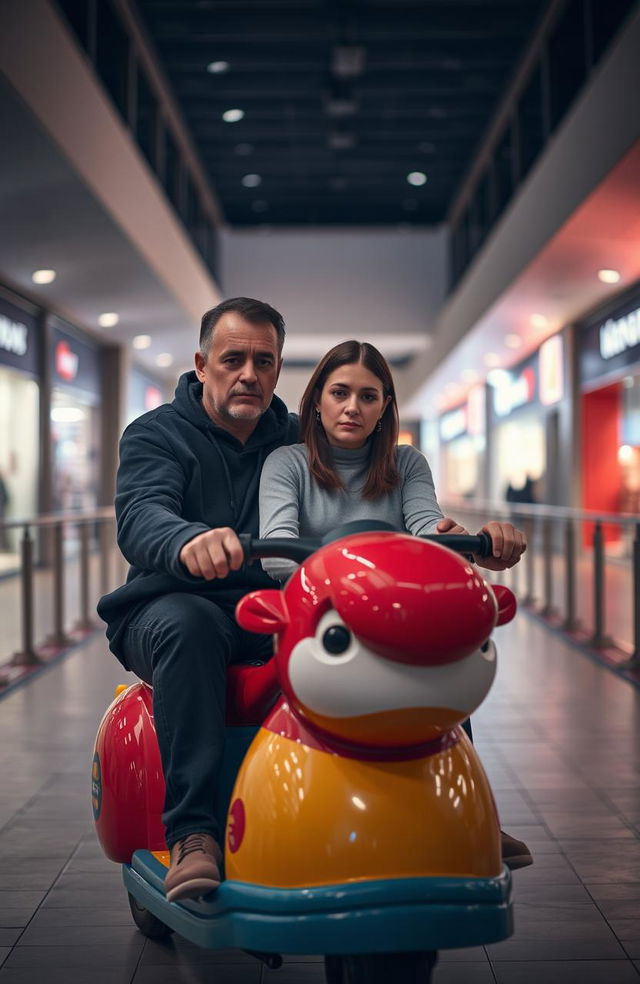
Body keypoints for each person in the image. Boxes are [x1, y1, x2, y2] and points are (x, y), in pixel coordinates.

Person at [259, 340, 532, 870]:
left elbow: (427, 525)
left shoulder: (406, 463)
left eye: (368, 396)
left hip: (390, 624)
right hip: (323, 621)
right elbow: (276, 549)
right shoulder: (286, 463)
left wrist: (460, 538)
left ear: (385, 406)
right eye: (339, 393)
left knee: (439, 676)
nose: (352, 407)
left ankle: (475, 816)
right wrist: (349, 590)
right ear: (316, 400)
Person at [97, 297, 298, 902]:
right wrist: (188, 538)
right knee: (191, 625)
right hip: (166, 606)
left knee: (373, 632)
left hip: (269, 609)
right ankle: (193, 833)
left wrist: (431, 529)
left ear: (279, 369)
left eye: (265, 361)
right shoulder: (155, 434)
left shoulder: (295, 438)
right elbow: (141, 515)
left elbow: (370, 487)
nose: (250, 374)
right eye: (233, 358)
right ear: (202, 364)